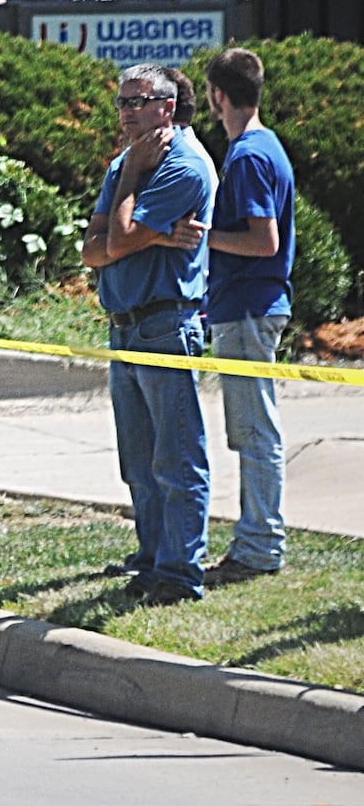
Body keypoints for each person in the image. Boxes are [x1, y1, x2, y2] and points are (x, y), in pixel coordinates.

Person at [80, 64, 216, 606]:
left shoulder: (184, 165)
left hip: (164, 324)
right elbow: (94, 250)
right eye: (122, 102)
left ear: (169, 106)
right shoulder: (126, 162)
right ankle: (152, 558)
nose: (127, 111)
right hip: (124, 326)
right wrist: (140, 229)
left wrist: (133, 194)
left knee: (176, 460)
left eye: (140, 101)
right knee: (138, 460)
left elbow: (117, 237)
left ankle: (181, 574)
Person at [203, 48, 295, 584]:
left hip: (248, 308)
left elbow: (265, 241)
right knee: (252, 428)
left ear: (218, 95)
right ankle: (258, 538)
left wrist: (201, 237)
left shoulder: (249, 157)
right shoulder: (262, 148)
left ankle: (260, 546)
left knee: (255, 430)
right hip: (247, 307)